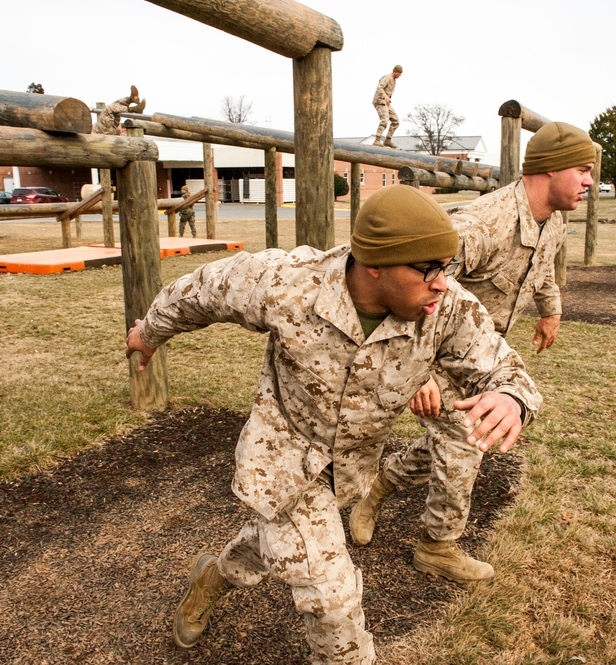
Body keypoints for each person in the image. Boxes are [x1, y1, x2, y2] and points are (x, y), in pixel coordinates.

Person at [125, 185, 542, 664]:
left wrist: (511, 397)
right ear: (375, 266)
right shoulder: (288, 283)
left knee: (275, 550)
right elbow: (200, 291)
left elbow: (502, 366)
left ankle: (212, 577)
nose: (442, 282)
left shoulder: (446, 309)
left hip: (347, 465)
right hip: (281, 457)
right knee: (331, 599)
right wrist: (150, 333)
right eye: (428, 269)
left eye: (446, 267)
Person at [349, 121, 597, 583]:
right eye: (582, 169)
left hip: (480, 357)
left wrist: (551, 311)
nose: (589, 181)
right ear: (549, 168)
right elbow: (416, 281)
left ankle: (381, 485)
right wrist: (416, 372)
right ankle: (437, 546)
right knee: (466, 442)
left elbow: (541, 271)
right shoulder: (483, 224)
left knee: (448, 445)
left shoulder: (553, 221)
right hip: (434, 354)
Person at [371, 65, 402, 148]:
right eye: (399, 73)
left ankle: (388, 140)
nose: (400, 75)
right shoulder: (387, 77)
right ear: (395, 72)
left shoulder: (394, 80)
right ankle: (377, 139)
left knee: (396, 121)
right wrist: (385, 96)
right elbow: (379, 87)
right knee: (385, 119)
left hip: (386, 103)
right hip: (380, 101)